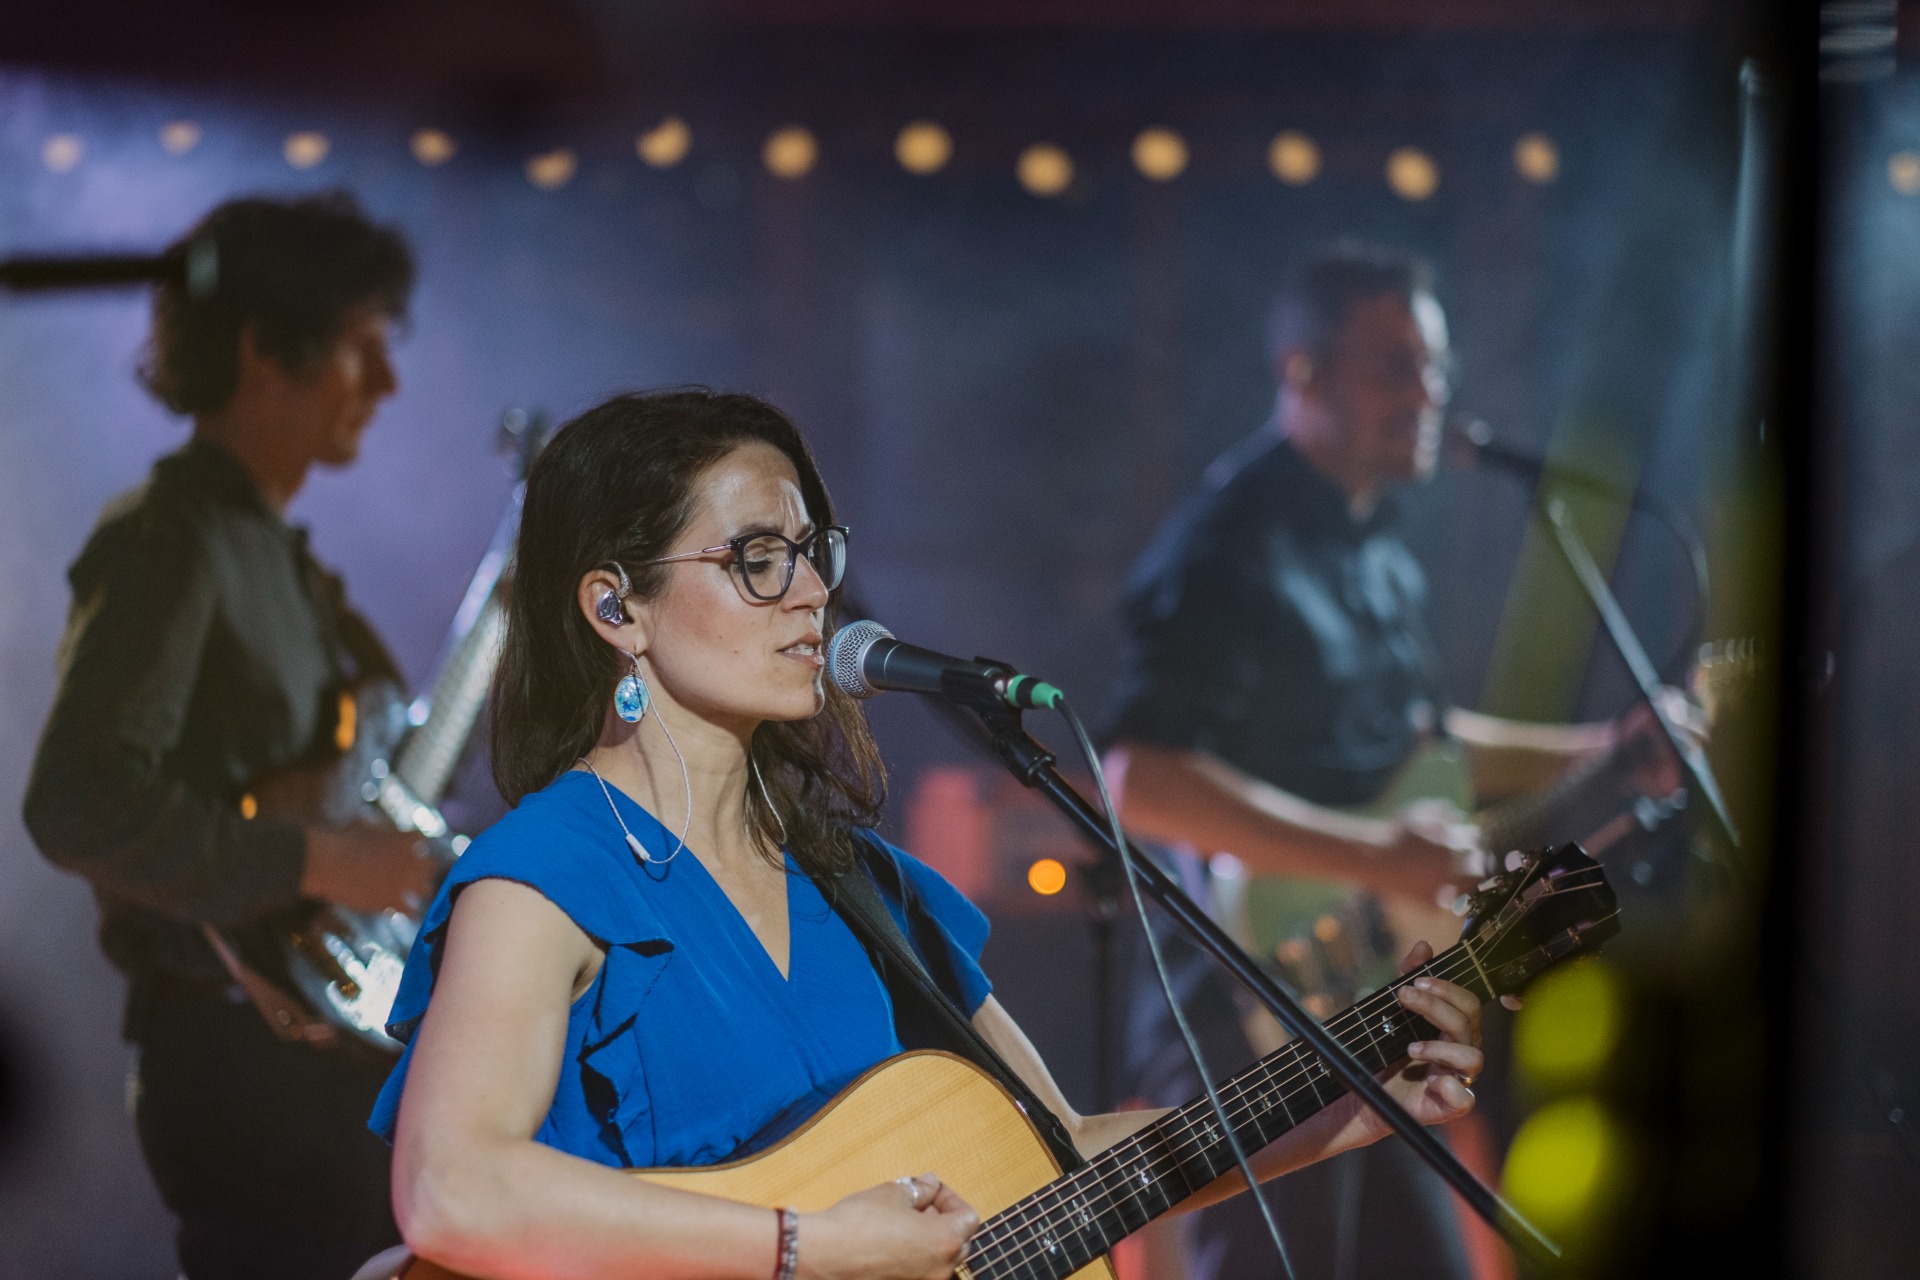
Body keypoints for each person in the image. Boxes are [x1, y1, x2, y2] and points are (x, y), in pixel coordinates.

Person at [370, 388, 1488, 1280]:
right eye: (756, 557)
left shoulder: (857, 884)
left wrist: (1349, 1106)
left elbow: (1056, 1154)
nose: (811, 593)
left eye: (813, 550)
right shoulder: (545, 872)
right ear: (617, 608)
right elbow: (450, 1191)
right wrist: (809, 1246)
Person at [1104, 243, 1656, 1280]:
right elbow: (1141, 778)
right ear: (1303, 373)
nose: (1429, 394)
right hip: (1244, 1006)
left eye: (1436, 367)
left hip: (1372, 1006)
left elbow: (1429, 748)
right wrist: (1377, 856)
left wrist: (1608, 751)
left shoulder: (1380, 546)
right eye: (1396, 367)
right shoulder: (1226, 546)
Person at [23, 192, 435, 1280]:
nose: (385, 384)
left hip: (308, 1063)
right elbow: (76, 801)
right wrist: (327, 860)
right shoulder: (171, 534)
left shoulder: (275, 555)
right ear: (263, 348)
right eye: (360, 347)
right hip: (243, 1070)